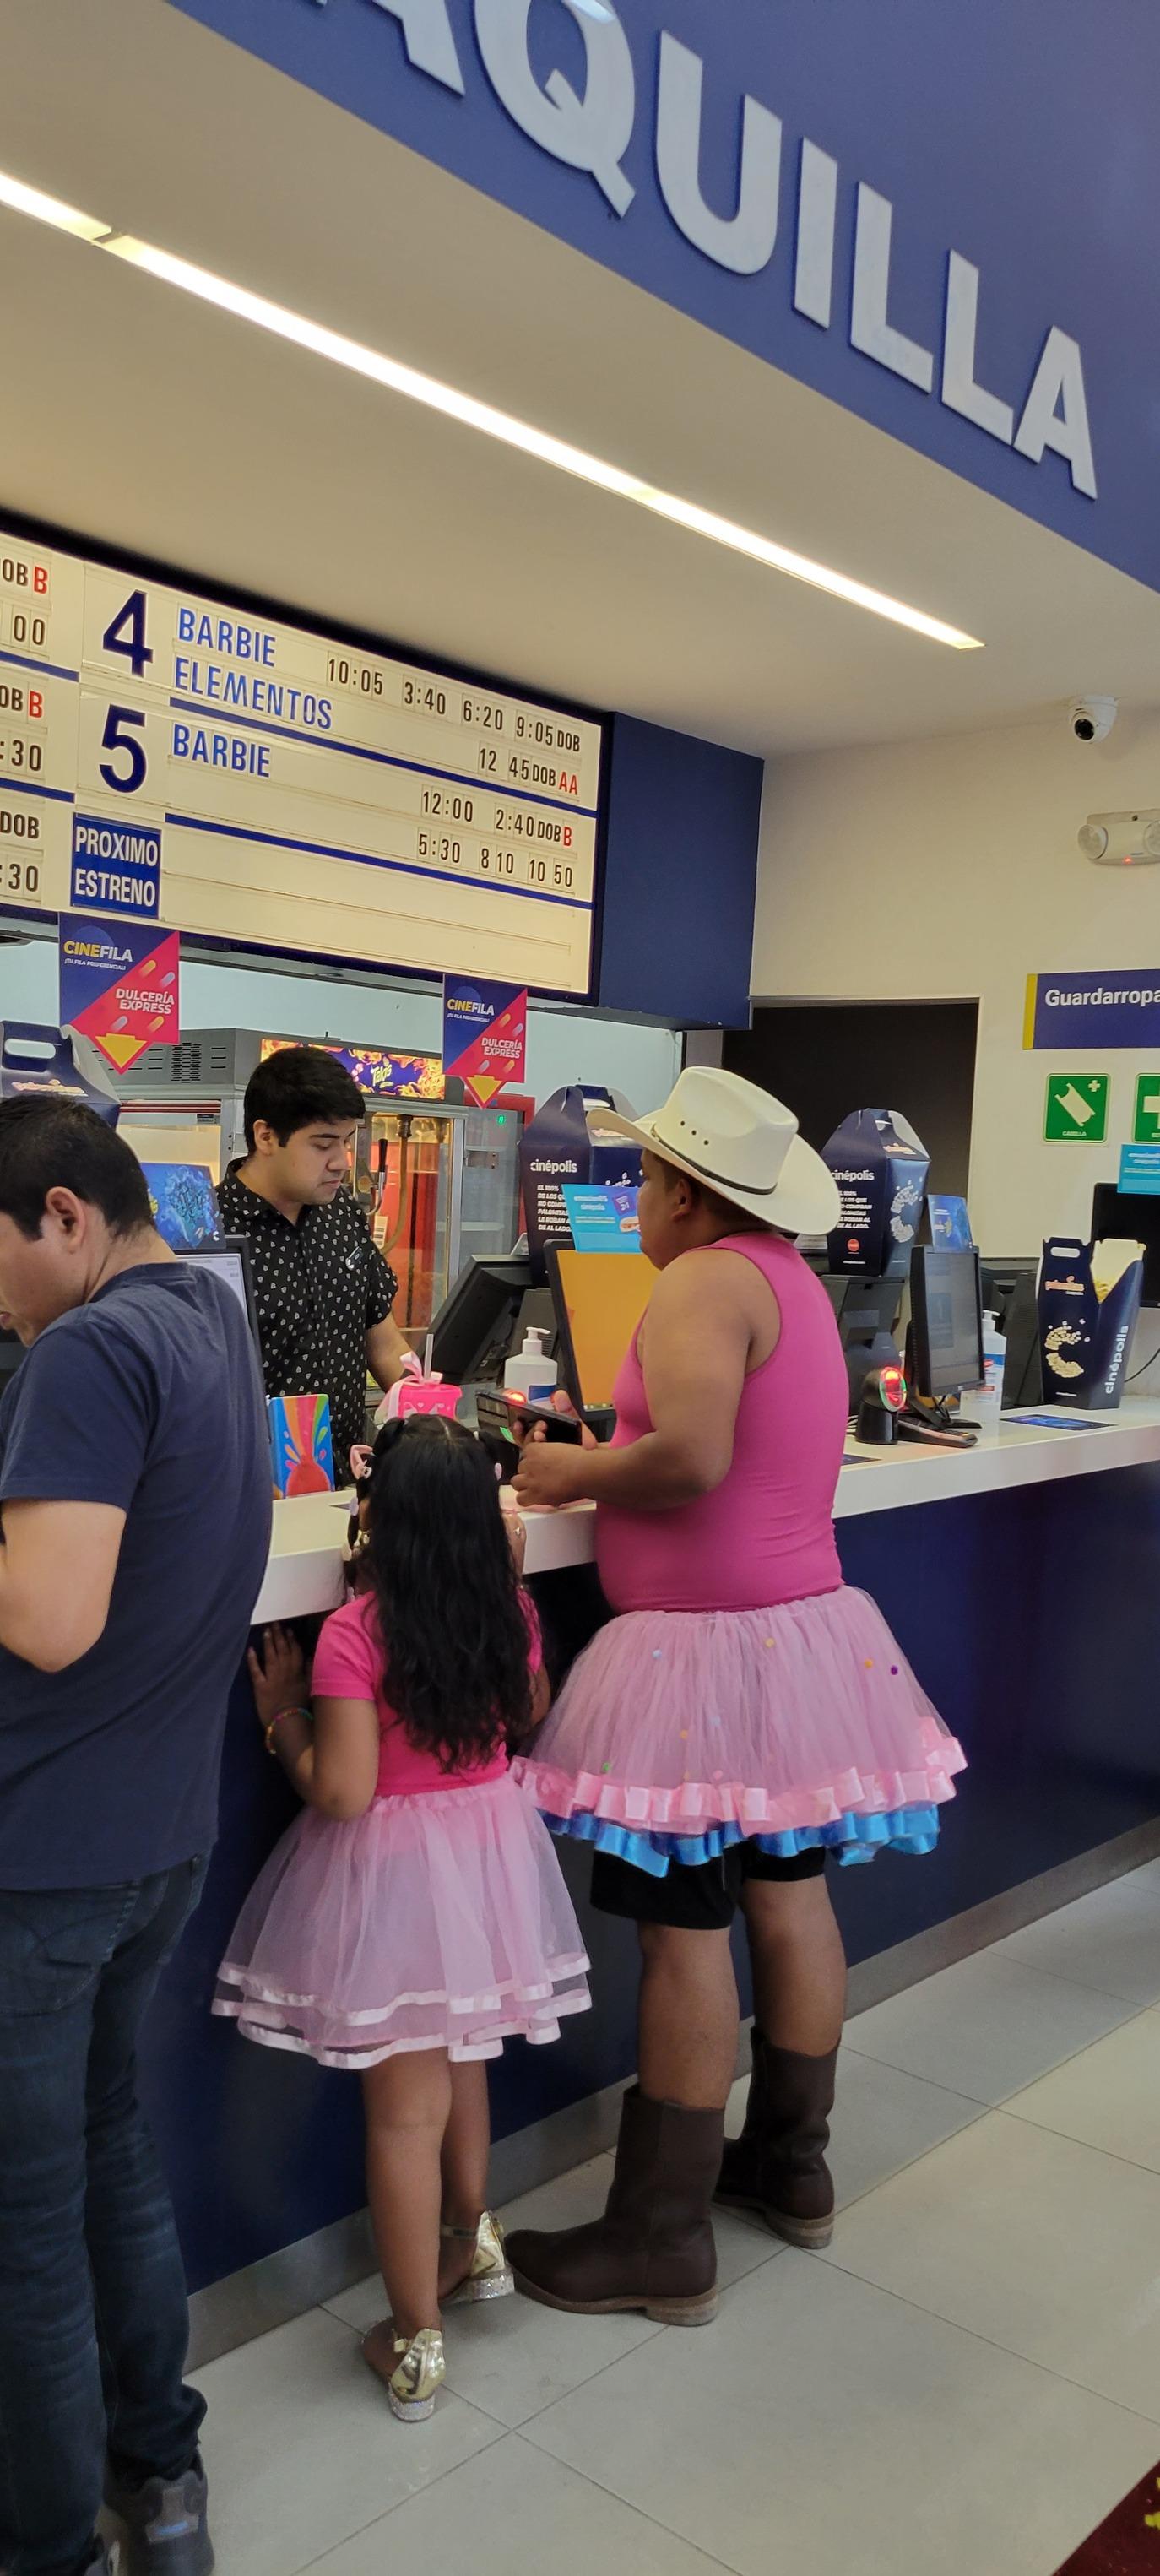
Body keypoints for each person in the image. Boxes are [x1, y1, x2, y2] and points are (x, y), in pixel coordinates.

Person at [507, 1066, 965, 2326]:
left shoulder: (699, 1279)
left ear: (679, 1188)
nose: (631, 1198)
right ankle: (789, 2160)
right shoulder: (787, 1280)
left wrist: (565, 1468)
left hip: (701, 1659)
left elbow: (692, 1455)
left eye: (642, 1176)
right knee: (788, 1895)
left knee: (683, 1931)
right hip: (802, 1644)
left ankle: (659, 2229)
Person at [0, 1097, 272, 2576]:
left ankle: (50, 2546)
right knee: (109, 2151)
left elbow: (47, 1616)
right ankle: (159, 2486)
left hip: (42, 1853)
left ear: (60, 1215)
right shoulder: (205, 1315)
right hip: (156, 1836)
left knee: (26, 2221)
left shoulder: (89, 1349)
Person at [215, 1414, 590, 2422]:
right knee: (465, 2062)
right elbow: (525, 1715)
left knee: (402, 2115)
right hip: (486, 1865)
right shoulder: (506, 1611)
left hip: (393, 1882)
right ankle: (475, 2245)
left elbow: (340, 1791)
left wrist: (281, 1718)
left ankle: (415, 2335)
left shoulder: (352, 1635)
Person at [216, 1045, 414, 1474]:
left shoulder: (342, 1214)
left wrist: (426, 1415)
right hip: (251, 1484)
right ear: (266, 1136)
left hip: (349, 1476)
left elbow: (383, 1343)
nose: (341, 1162)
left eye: (346, 1141)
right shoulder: (209, 1232)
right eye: (323, 1144)